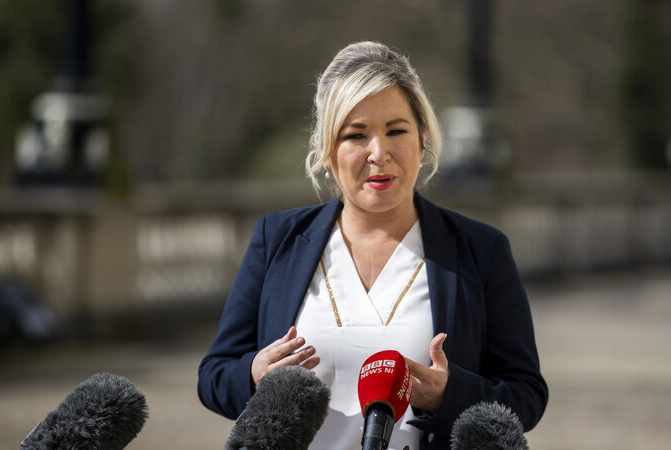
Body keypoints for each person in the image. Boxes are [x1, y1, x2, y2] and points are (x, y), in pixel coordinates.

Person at [198, 41, 547, 449]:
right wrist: (254, 374)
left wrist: (449, 395)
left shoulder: (481, 250)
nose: (378, 153)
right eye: (356, 135)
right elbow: (214, 377)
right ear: (328, 151)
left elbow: (527, 395)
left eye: (396, 131)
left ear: (422, 139)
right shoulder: (277, 239)